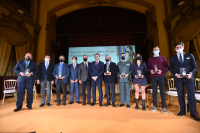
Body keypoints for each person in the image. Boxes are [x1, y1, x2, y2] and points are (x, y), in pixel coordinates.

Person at [169, 42, 200, 122]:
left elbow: (194, 66)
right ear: (175, 49)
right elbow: (170, 68)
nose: (179, 48)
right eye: (177, 47)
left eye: (180, 47)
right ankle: (182, 110)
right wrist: (176, 74)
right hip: (178, 78)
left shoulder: (189, 55)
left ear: (183, 47)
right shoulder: (173, 58)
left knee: (191, 95)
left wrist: (190, 73)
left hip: (188, 78)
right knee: (180, 95)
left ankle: (193, 113)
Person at [147, 46, 168, 114]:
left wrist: (161, 71)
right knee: (154, 92)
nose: (156, 50)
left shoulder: (163, 58)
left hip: (161, 77)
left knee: (162, 92)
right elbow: (148, 69)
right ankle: (155, 106)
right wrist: (151, 71)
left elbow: (167, 68)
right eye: (155, 50)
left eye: (157, 49)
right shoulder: (150, 59)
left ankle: (164, 107)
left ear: (159, 50)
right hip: (153, 77)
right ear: (153, 51)